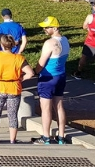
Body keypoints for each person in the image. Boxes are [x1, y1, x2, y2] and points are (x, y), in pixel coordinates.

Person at [0, 34, 34, 144]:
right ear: (12, 45)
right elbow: (30, 73)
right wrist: (20, 79)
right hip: (13, 88)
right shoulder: (19, 58)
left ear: (1, 44)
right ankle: (12, 140)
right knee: (12, 115)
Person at [33, 16, 69, 145]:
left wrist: (35, 71)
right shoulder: (65, 40)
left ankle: (46, 137)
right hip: (61, 75)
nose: (44, 29)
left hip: (47, 78)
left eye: (47, 27)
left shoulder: (50, 43)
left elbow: (41, 63)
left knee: (46, 108)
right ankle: (61, 136)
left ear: (55, 28)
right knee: (59, 106)